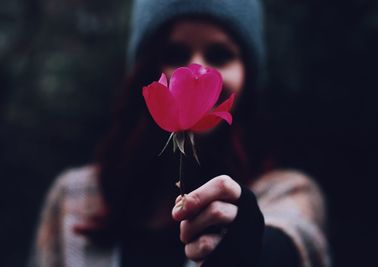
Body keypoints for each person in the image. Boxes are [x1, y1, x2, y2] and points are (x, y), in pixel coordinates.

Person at [29, 0, 330, 266]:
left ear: (248, 77)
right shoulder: (71, 198)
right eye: (174, 52)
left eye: (220, 53)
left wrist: (259, 246)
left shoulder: (287, 192)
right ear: (142, 73)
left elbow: (294, 236)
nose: (196, 67)